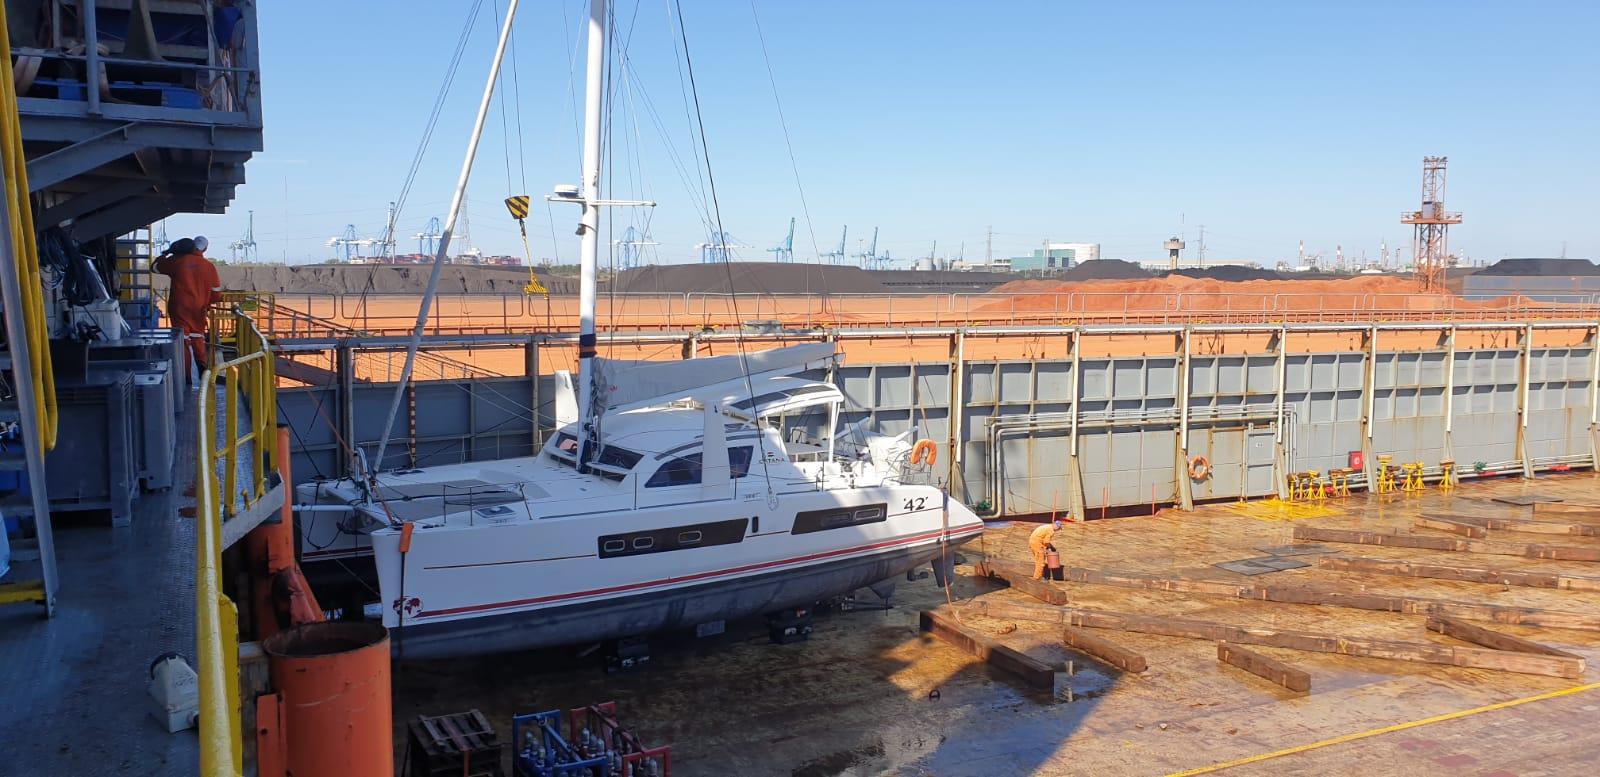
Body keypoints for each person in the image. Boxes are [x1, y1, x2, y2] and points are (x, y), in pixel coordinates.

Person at [154, 236, 222, 382]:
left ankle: (186, 378)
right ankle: (204, 372)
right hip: (198, 310)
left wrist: (166, 253)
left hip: (179, 308)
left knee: (182, 341)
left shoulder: (177, 261)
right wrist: (206, 302)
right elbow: (216, 294)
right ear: (205, 248)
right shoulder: (208, 266)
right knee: (198, 338)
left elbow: (154, 267)